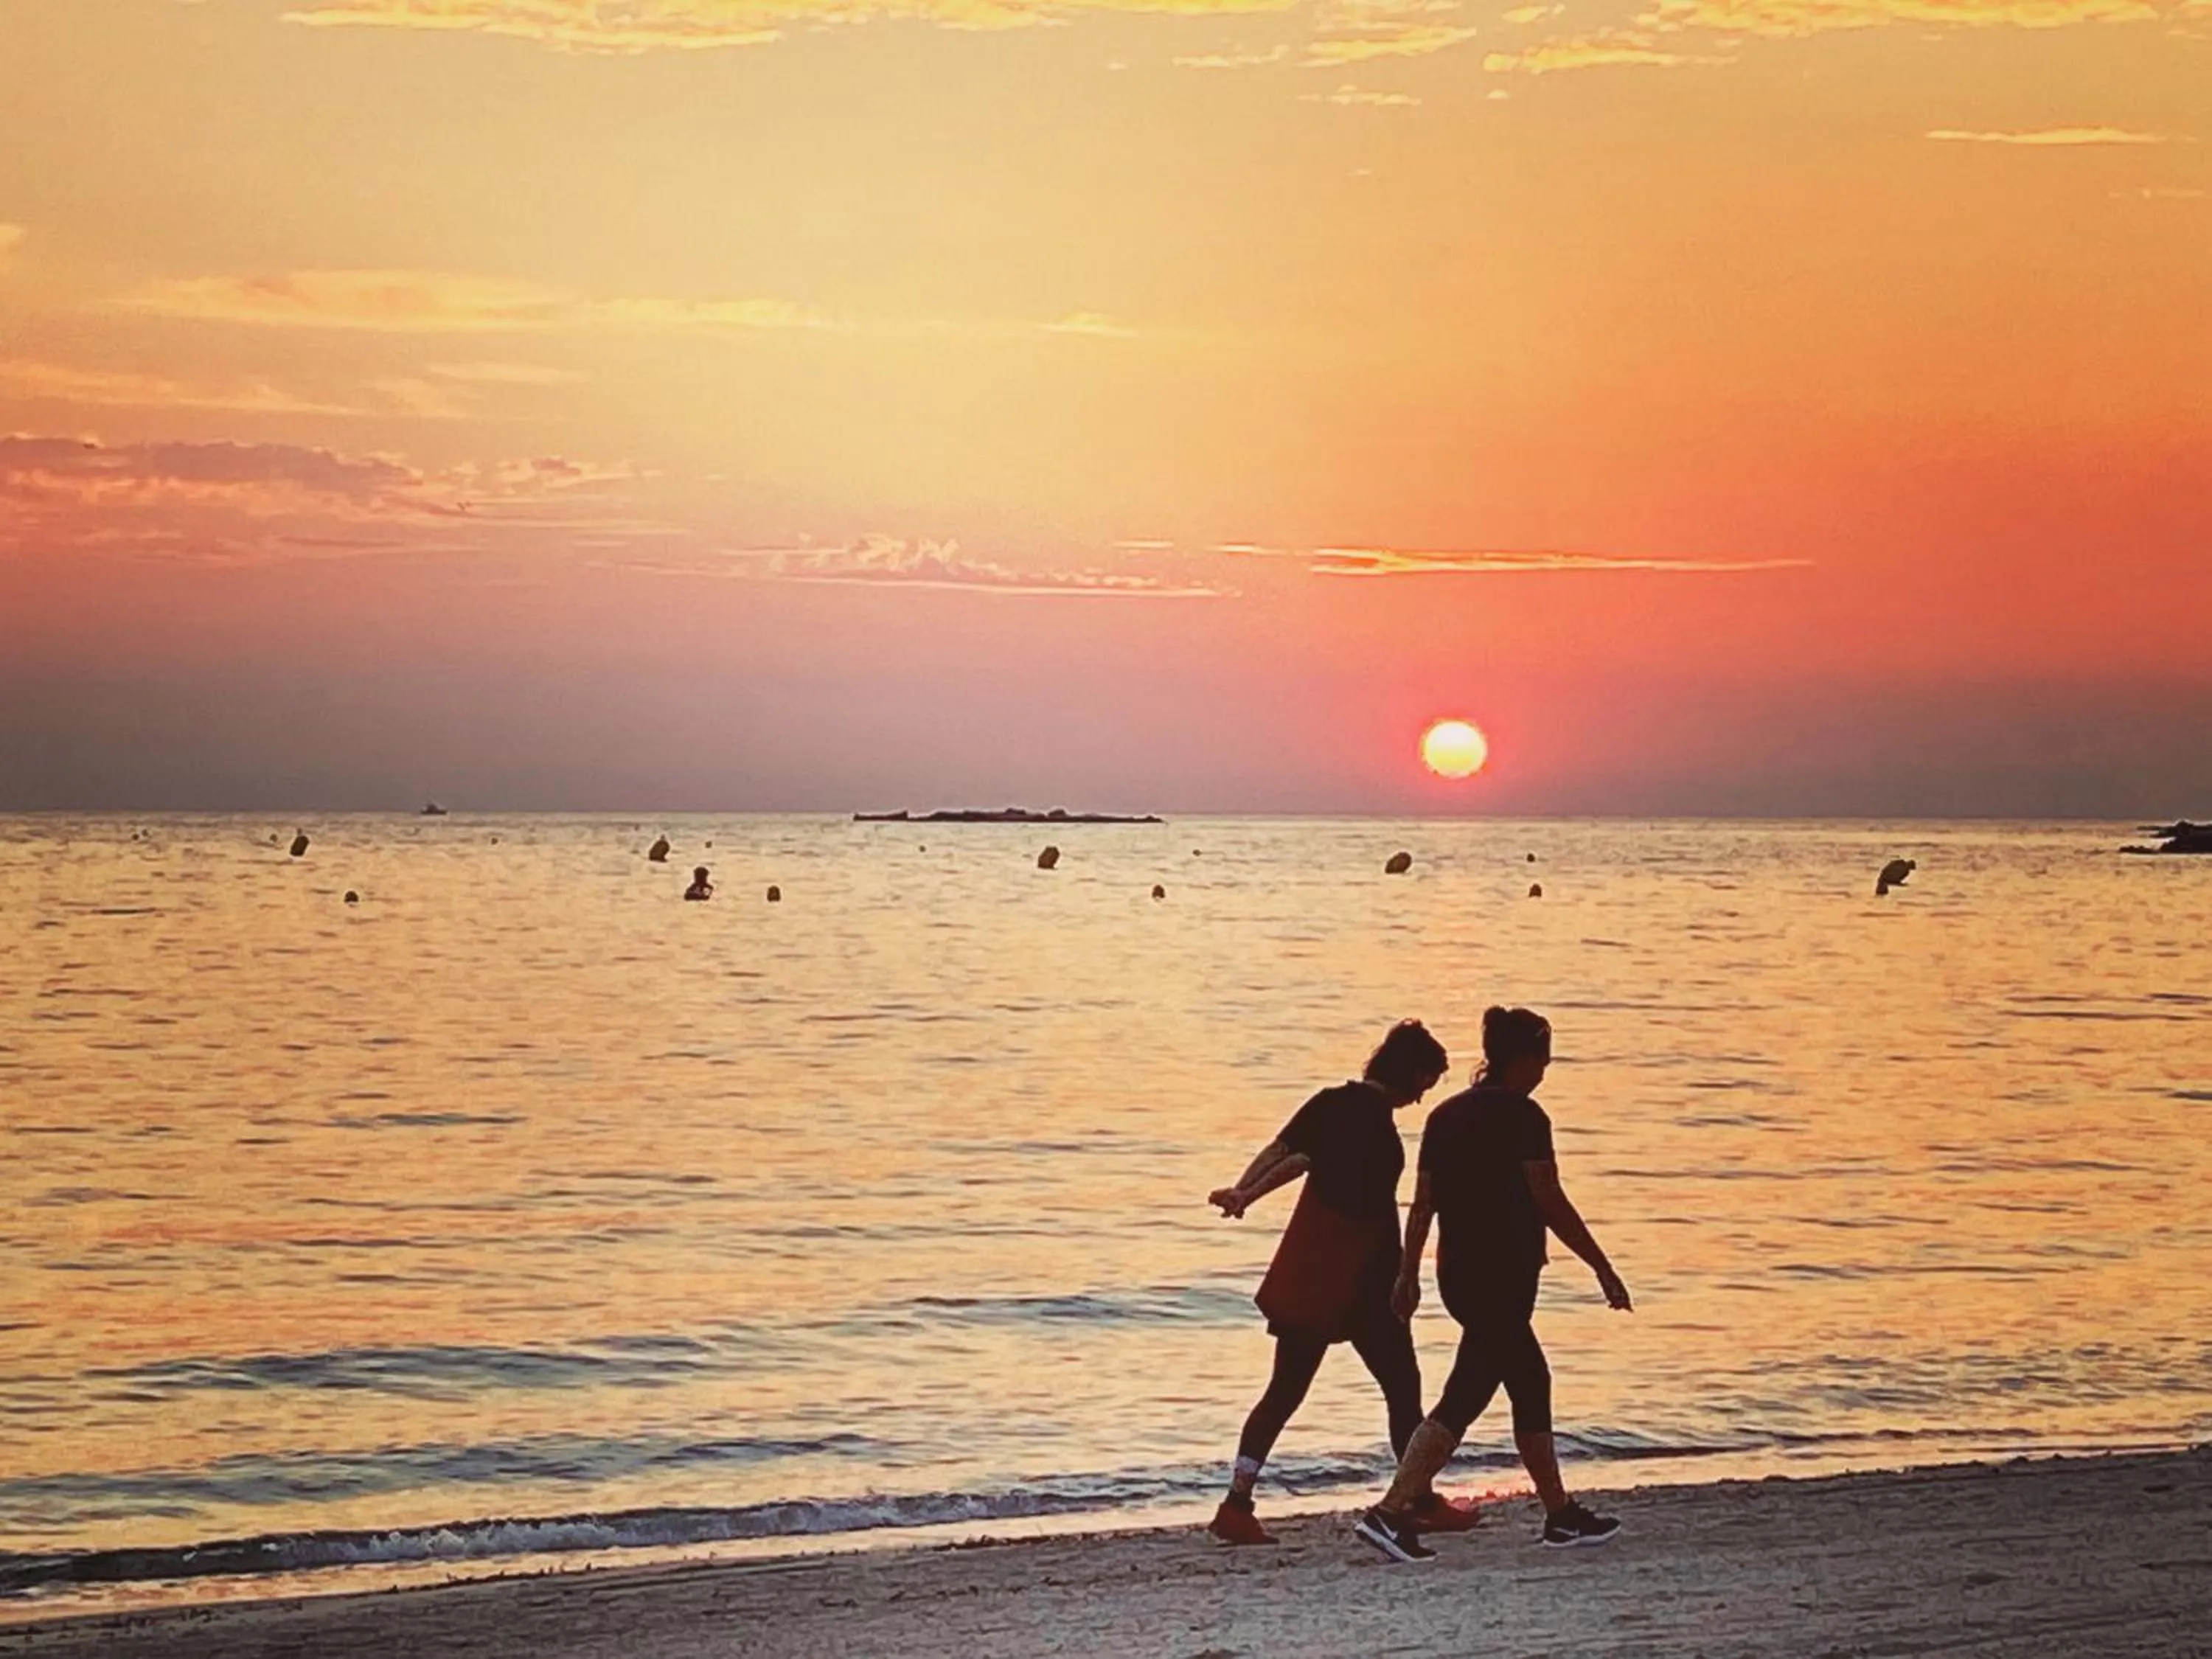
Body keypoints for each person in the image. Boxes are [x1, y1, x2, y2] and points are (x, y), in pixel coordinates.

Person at [1354, 1006, 1632, 1562]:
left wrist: (1409, 1273)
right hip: (1501, 1278)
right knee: (1473, 1395)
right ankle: (1390, 1512)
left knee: (1520, 1383)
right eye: (1543, 1059)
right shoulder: (1527, 1119)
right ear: (1522, 1059)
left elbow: (1423, 1204)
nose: (1545, 1071)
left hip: (1459, 1275)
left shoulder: (1445, 1116)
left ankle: (1559, 1515)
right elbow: (1548, 1199)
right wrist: (1601, 1265)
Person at [1205, 1020, 1475, 1545]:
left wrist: (1243, 1190)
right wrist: (1247, 1195)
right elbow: (1302, 1161)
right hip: (1358, 1281)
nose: (1423, 1096)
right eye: (1426, 1081)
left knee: (1291, 1391)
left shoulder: (1329, 1102)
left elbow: (1281, 1149)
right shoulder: (1369, 1120)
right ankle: (1416, 1501)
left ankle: (1238, 1503)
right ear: (1411, 1071)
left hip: (1316, 1272)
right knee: (1399, 1386)